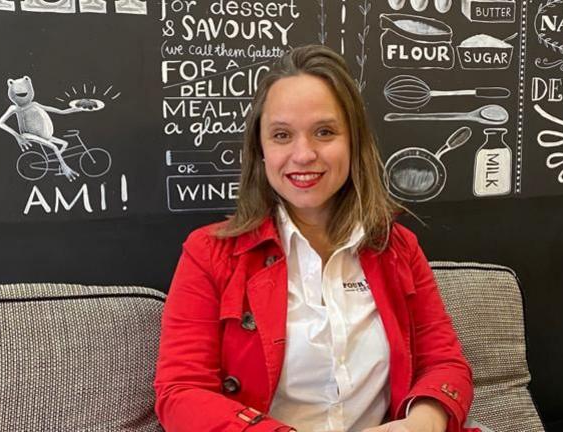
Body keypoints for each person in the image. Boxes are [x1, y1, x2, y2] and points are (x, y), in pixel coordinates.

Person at [155, 45, 475, 432]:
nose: (304, 154)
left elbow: (443, 363)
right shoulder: (209, 252)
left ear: (354, 141)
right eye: (281, 135)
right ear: (260, 150)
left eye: (324, 132)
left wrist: (419, 424)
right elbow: (181, 392)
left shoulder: (399, 248)